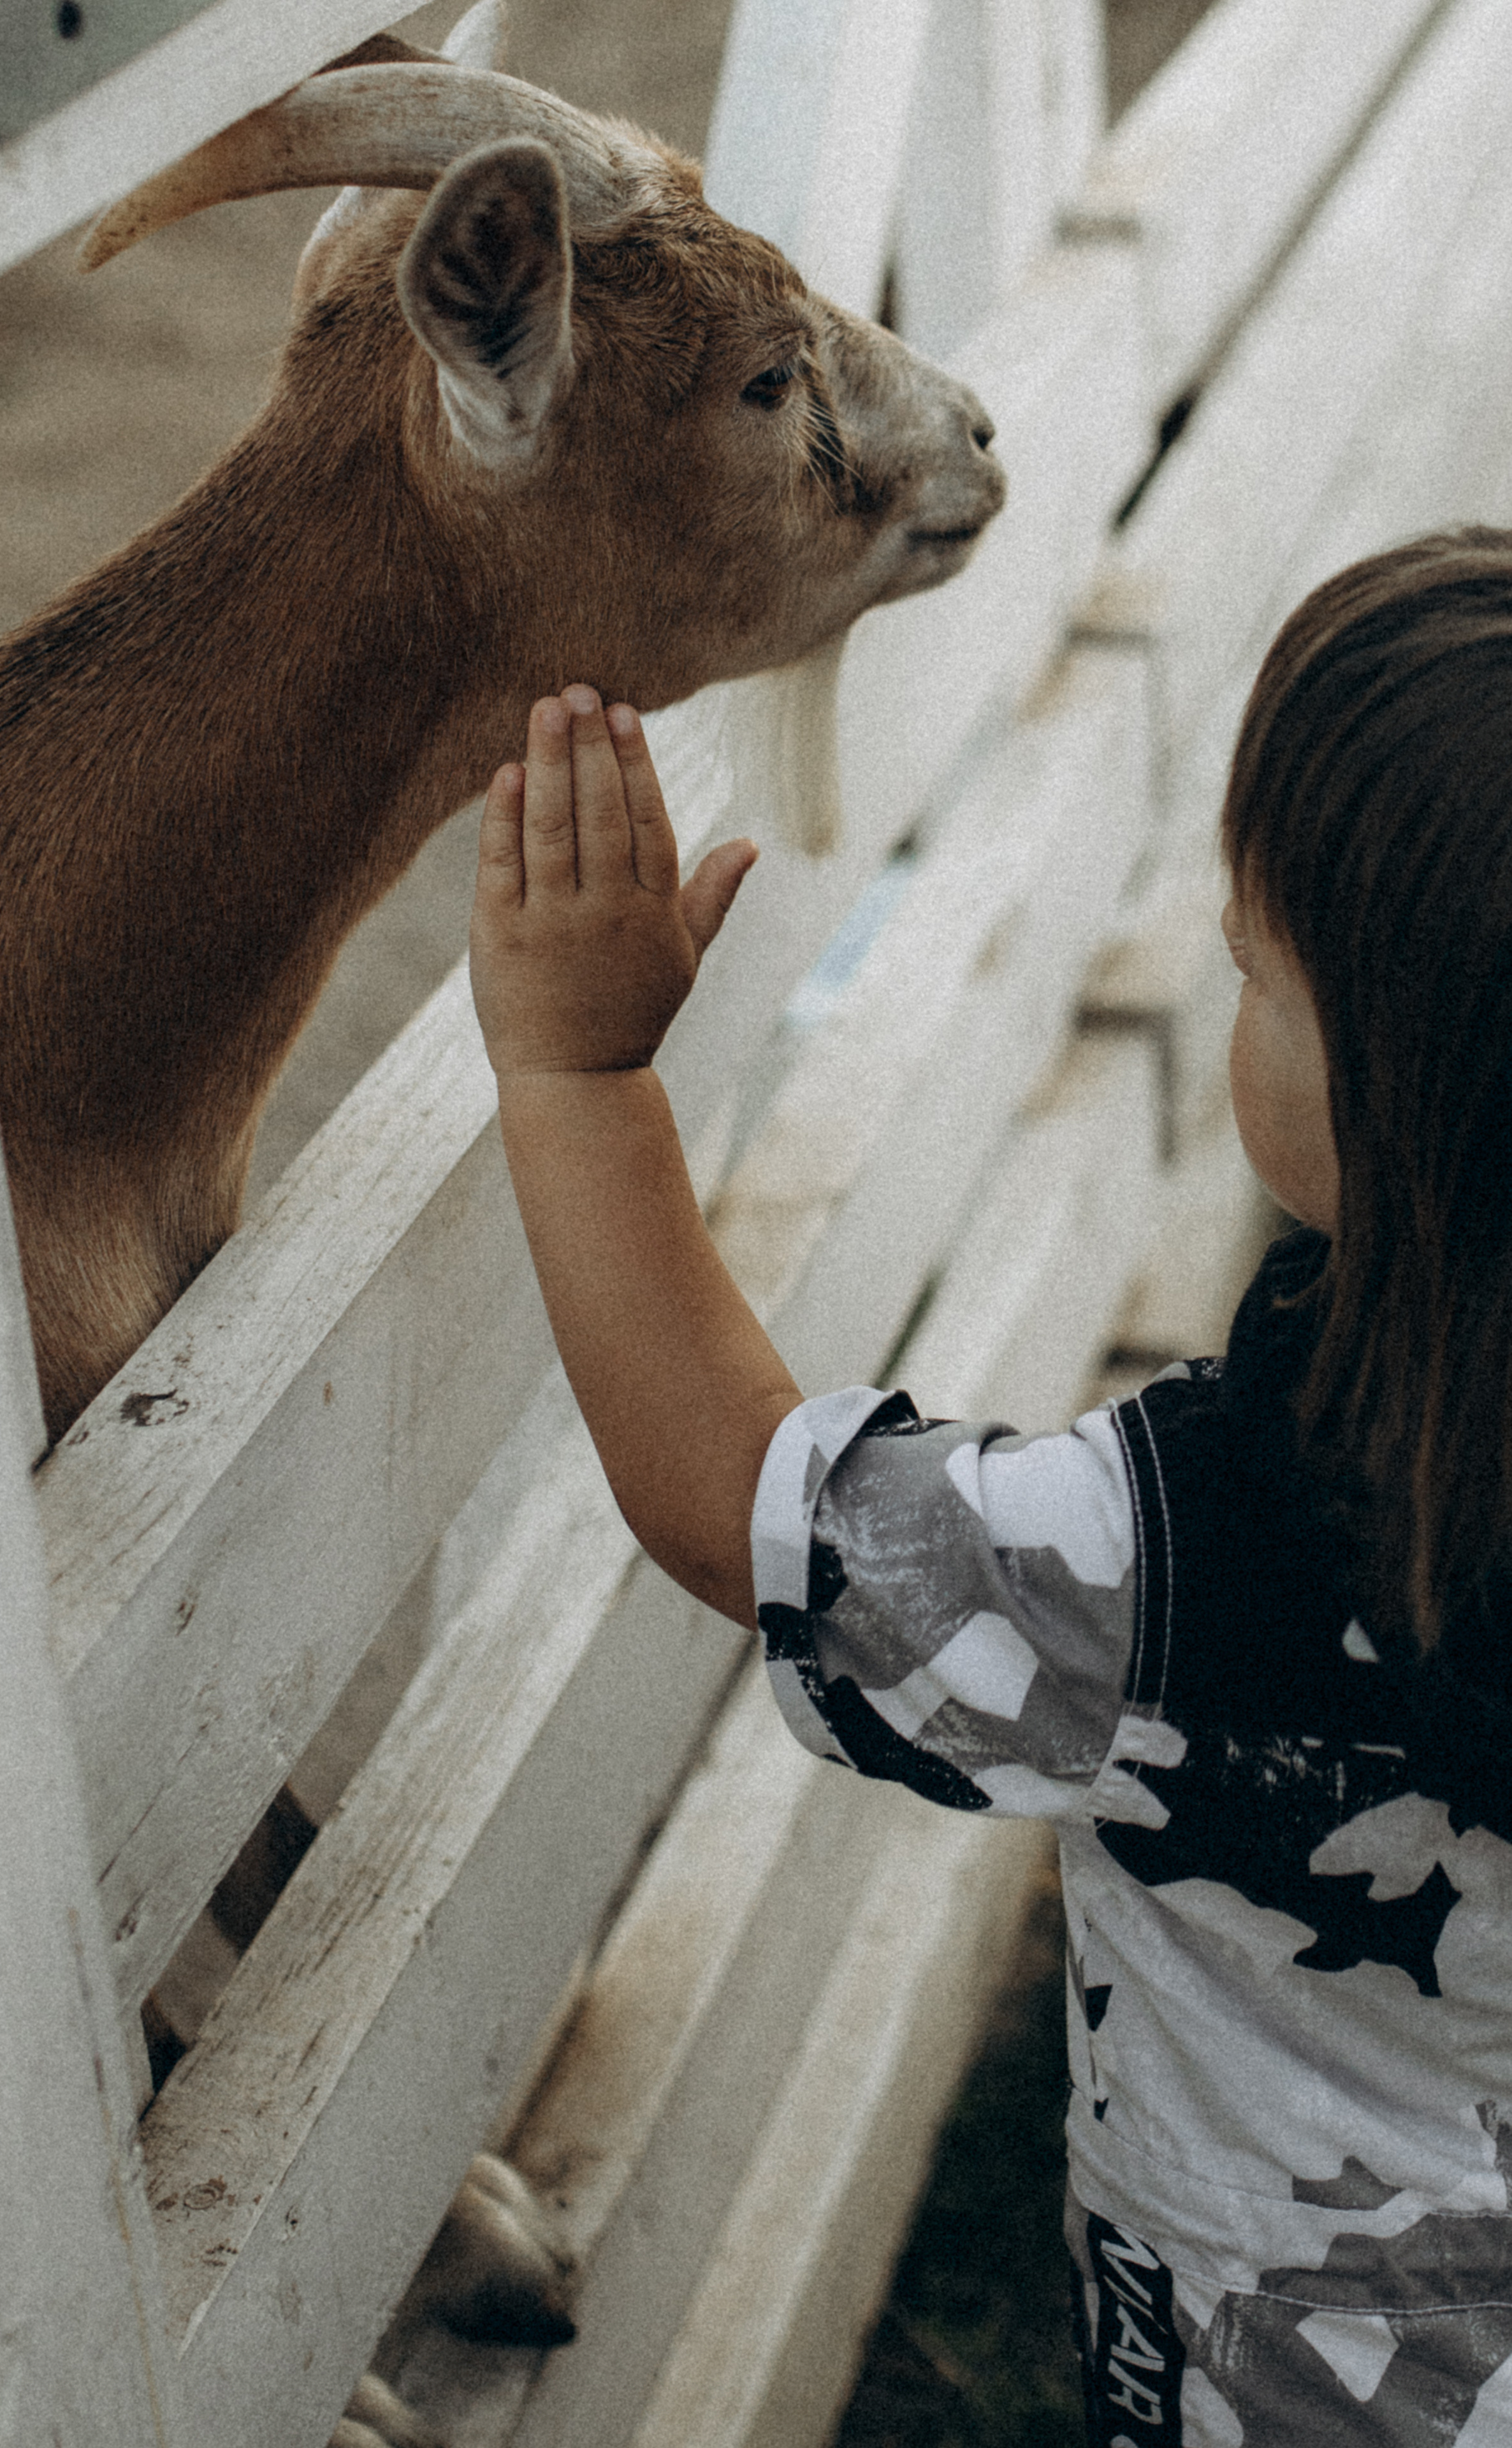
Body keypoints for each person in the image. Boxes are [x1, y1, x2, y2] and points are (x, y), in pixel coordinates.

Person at [468, 529, 1512, 2445]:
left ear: (1399, 1096)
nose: (1221, 967)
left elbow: (745, 1506)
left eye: (1260, 967)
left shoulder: (1198, 1563)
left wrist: (577, 1071)